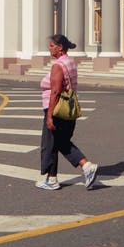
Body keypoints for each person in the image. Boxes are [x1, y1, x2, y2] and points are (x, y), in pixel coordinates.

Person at [36, 34, 98, 191]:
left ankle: (52, 180)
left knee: (49, 144)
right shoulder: (70, 62)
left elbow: (55, 91)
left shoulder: (58, 65)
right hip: (68, 110)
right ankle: (85, 167)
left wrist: (49, 115)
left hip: (57, 110)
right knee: (61, 143)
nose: (49, 48)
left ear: (60, 47)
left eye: (51, 46)